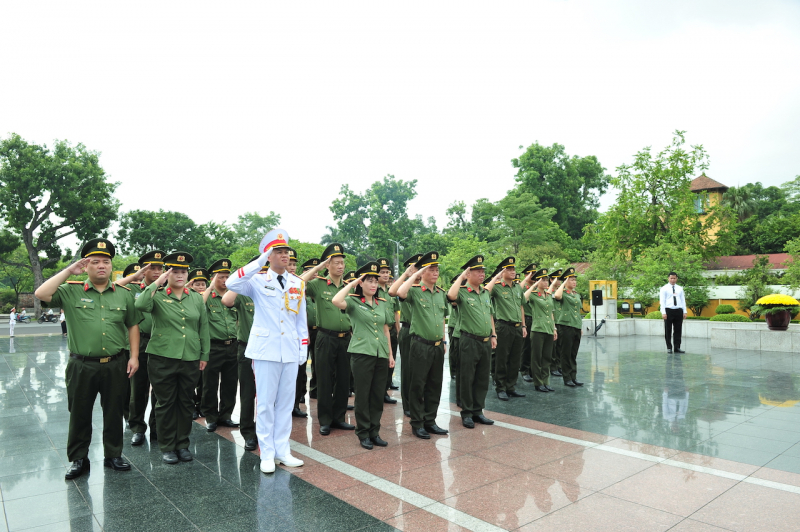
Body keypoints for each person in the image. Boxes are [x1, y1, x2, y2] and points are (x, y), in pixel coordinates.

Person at [34, 238, 142, 479]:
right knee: (80, 412)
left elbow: (133, 325)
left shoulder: (123, 294)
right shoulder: (70, 290)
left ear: (112, 267)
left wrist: (133, 356)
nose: (101, 265)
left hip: (116, 363)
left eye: (106, 261)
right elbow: (41, 293)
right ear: (86, 266)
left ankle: (113, 454)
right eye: (95, 262)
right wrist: (67, 271)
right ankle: (78, 458)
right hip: (81, 365)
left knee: (114, 411)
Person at [225, 228, 307, 474]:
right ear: (268, 256)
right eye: (278, 252)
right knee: (265, 404)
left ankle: (282, 450)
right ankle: (267, 452)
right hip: (265, 351)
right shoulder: (257, 281)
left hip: (291, 350)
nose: (285, 256)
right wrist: (259, 261)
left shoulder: (297, 283)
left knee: (285, 403)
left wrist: (303, 348)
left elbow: (301, 320)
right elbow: (231, 283)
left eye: (286, 252)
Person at [134, 252, 209, 464]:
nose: (179, 275)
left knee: (186, 402)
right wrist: (157, 282)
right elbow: (140, 306)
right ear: (168, 273)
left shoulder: (195, 297)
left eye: (183, 271)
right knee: (165, 403)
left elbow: (202, 327)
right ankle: (167, 445)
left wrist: (204, 354)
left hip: (190, 357)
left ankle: (182, 443)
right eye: (174, 271)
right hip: (162, 357)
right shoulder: (157, 294)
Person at [332, 261, 394, 449]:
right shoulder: (352, 302)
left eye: (376, 281)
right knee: (363, 395)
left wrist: (390, 354)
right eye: (369, 281)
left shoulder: (382, 303)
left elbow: (386, 330)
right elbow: (336, 301)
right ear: (361, 283)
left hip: (381, 354)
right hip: (361, 354)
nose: (374, 285)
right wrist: (351, 284)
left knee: (377, 395)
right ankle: (363, 432)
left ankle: (374, 432)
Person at [392, 252, 449, 439]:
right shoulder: (415, 291)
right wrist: (415, 275)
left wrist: (444, 340)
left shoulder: (441, 293)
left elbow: (441, 318)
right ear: (423, 273)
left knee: (435, 384)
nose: (435, 273)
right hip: (420, 345)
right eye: (430, 270)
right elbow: (399, 292)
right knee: (418, 384)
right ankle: (417, 423)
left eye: (436, 269)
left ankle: (430, 420)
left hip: (437, 345)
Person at [301, 244, 355, 435]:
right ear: (328, 265)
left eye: (342, 263)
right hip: (325, 337)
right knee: (323, 379)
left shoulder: (349, 286)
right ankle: (324, 419)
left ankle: (339, 417)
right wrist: (317, 268)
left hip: (345, 339)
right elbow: (298, 283)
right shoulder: (319, 285)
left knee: (343, 379)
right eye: (336, 263)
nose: (341, 266)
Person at [117, 250, 166, 445]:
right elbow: (111, 288)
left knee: (160, 389)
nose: (156, 271)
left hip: (161, 343)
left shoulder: (166, 290)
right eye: (152, 268)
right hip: (140, 343)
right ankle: (137, 427)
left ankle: (156, 427)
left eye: (160, 268)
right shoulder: (132, 290)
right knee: (138, 389)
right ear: (143, 269)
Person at [447, 255, 495, 429]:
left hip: (485, 341)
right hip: (468, 340)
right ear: (469, 274)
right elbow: (450, 296)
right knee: (467, 378)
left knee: (482, 378)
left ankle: (478, 411)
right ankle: (466, 413)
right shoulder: (461, 291)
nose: (482, 275)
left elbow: (490, 315)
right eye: (478, 272)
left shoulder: (485, 293)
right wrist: (461, 277)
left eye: (483, 272)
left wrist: (493, 335)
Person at [222, 256, 263, 451]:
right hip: (247, 348)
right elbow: (226, 300)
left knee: (268, 395)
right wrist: (247, 276)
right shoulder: (245, 292)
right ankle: (248, 433)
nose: (261, 273)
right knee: (248, 394)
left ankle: (265, 431)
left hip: (268, 351)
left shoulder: (273, 291)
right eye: (258, 269)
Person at [202, 258, 240, 432]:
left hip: (232, 345)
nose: (225, 280)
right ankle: (211, 417)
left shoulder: (232, 296)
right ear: (213, 278)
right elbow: (198, 305)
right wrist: (209, 287)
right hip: (213, 347)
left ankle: (226, 415)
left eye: (227, 277)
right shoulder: (207, 296)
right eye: (220, 277)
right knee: (210, 384)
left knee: (230, 383)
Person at [485, 257, 527, 401]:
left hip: (516, 327)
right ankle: (501, 388)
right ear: (502, 272)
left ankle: (511, 387)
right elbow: (485, 291)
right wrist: (496, 277)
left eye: (513, 269)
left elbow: (521, 306)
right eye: (508, 269)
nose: (512, 271)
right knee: (502, 359)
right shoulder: (497, 286)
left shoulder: (517, 287)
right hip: (503, 327)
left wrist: (523, 325)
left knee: (515, 359)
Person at [390, 253, 422, 417]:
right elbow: (393, 291)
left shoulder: (425, 286)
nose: (421, 270)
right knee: (408, 370)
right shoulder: (406, 286)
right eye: (418, 267)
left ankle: (419, 402)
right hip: (408, 330)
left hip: (423, 333)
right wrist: (407, 275)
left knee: (421, 371)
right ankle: (408, 404)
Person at [524, 268, 558, 393]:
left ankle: (546, 381)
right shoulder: (532, 294)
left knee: (547, 357)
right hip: (538, 329)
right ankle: (538, 382)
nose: (546, 282)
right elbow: (522, 299)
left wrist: (554, 328)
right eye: (542, 280)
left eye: (546, 280)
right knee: (536, 357)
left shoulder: (548, 295)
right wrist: (534, 284)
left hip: (549, 329)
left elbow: (551, 313)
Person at [185, 267, 209, 418]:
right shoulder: (190, 297)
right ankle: (192, 405)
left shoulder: (210, 297)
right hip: (190, 343)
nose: (200, 287)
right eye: (197, 284)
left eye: (203, 284)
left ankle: (201, 404)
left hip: (204, 343)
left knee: (203, 380)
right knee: (191, 379)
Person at [553, 268, 583, 387]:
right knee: (565, 353)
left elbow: (577, 312)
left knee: (573, 354)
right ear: (566, 281)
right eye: (571, 280)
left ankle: (573, 376)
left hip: (575, 325)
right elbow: (557, 296)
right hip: (565, 326)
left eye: (575, 280)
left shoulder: (576, 295)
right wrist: (564, 284)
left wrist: (580, 327)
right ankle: (567, 378)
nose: (574, 282)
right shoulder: (563, 293)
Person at [376, 257, 400, 404]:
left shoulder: (392, 292)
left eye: (387, 272)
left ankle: (385, 389)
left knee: (391, 362)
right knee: (380, 362)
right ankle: (379, 391)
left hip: (391, 330)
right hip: (378, 331)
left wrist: (398, 330)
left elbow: (396, 312)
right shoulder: (373, 290)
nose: (385, 275)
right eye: (382, 272)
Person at [300, 258, 320, 400]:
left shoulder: (320, 290)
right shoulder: (300, 290)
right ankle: (300, 393)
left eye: (316, 271)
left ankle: (316, 389)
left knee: (318, 363)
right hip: (303, 332)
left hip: (319, 330)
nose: (314, 274)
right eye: (310, 271)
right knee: (301, 363)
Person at [518, 263, 537, 382]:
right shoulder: (524, 287)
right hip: (527, 319)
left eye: (535, 273)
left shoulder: (537, 287)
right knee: (526, 347)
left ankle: (532, 370)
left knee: (535, 348)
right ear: (526, 275)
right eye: (531, 273)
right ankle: (524, 370)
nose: (534, 276)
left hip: (536, 320)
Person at [660, 272, 687, 354]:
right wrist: (663, 312)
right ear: (668, 278)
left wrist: (684, 311)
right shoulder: (664, 288)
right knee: (668, 330)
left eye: (674, 278)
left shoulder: (680, 288)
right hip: (669, 310)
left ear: (676, 279)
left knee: (678, 330)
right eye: (671, 278)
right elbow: (662, 301)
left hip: (678, 310)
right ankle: (669, 347)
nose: (673, 280)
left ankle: (677, 347)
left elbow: (683, 300)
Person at [548, 269, 564, 378]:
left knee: (559, 347)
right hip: (552, 321)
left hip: (560, 320)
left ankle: (559, 366)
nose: (559, 281)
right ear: (551, 280)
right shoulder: (548, 291)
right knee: (552, 347)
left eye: (560, 279)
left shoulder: (560, 290)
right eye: (556, 279)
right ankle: (552, 367)